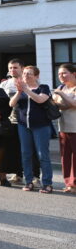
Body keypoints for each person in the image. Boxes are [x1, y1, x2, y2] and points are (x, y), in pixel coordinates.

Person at [10, 66, 54, 193]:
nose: (26, 76)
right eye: (24, 73)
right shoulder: (21, 90)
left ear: (36, 76)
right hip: (23, 125)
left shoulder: (43, 87)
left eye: (29, 74)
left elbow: (40, 99)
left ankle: (47, 183)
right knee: (26, 154)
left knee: (42, 155)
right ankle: (28, 181)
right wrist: (19, 91)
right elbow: (12, 104)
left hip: (41, 126)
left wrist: (26, 90)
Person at [1, 58, 40, 185]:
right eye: (10, 68)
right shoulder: (4, 84)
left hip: (27, 121)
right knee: (16, 149)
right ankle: (18, 174)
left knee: (32, 150)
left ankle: (35, 176)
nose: (12, 70)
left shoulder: (30, 82)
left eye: (15, 67)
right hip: (11, 121)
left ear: (22, 68)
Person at [53, 63, 76, 193]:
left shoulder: (62, 90)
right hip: (63, 127)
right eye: (59, 74)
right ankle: (69, 183)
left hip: (75, 127)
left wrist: (62, 95)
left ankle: (74, 183)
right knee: (65, 157)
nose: (61, 76)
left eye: (64, 73)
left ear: (74, 74)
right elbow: (56, 105)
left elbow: (74, 103)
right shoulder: (61, 88)